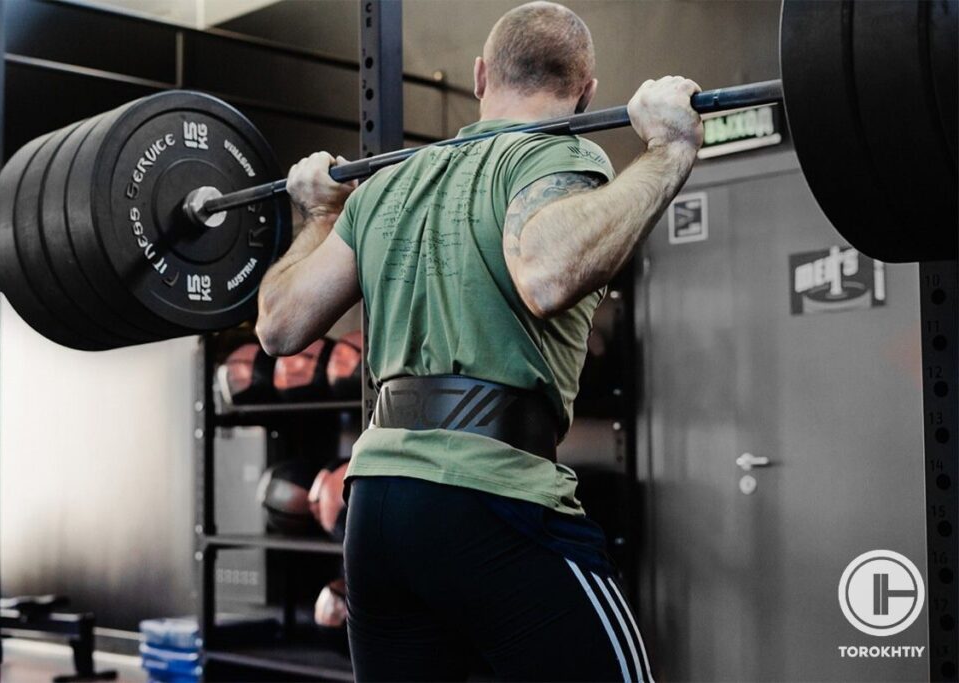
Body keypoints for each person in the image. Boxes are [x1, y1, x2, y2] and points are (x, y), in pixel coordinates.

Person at [256, 2, 702, 680]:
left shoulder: (388, 185)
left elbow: (277, 323)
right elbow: (548, 274)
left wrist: (319, 215)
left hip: (376, 509)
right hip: (492, 497)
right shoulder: (558, 153)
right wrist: (669, 151)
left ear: (478, 76)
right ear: (587, 90)